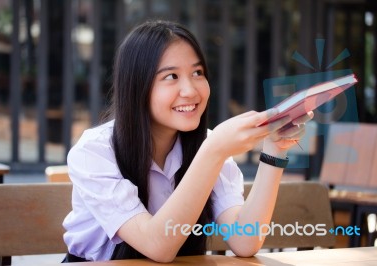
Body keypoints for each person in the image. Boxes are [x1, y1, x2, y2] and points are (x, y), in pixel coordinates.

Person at [62, 20, 313, 263]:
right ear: (137, 86)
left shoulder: (209, 144)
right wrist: (214, 151)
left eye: (197, 72)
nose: (191, 90)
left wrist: (274, 151)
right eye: (171, 76)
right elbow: (157, 246)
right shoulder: (94, 151)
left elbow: (244, 240)